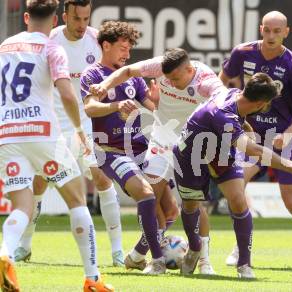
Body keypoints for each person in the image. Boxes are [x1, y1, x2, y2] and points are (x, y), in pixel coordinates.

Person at [0, 1, 113, 291]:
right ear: (54, 22)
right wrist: (78, 130)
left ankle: (6, 252)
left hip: (8, 135)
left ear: (25, 17)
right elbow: (66, 94)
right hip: (43, 134)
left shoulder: (4, 46)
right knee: (77, 200)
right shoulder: (52, 47)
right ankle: (92, 278)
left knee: (22, 205)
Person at [173, 73, 292, 279]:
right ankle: (195, 247)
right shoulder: (223, 116)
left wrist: (248, 130)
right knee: (191, 205)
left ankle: (244, 264)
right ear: (261, 103)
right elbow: (256, 151)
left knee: (239, 201)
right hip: (190, 156)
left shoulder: (235, 94)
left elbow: (241, 123)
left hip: (219, 152)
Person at [90, 48, 222, 275]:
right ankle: (157, 261)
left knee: (193, 204)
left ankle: (204, 261)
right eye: (167, 79)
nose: (171, 82)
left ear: (190, 70)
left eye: (176, 79)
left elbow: (226, 101)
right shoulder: (158, 66)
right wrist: (105, 86)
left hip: (192, 144)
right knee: (149, 196)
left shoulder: (206, 81)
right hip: (162, 139)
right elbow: (129, 70)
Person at [219, 10, 292, 269]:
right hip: (251, 134)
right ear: (261, 29)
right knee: (237, 186)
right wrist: (230, 112)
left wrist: (288, 134)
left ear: (286, 32)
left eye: (277, 31)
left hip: (284, 137)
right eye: (267, 30)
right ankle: (240, 247)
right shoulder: (242, 53)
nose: (271, 36)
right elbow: (221, 82)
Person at [81, 20, 166, 275]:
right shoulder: (93, 75)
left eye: (129, 50)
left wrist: (158, 103)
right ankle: (158, 261)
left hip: (140, 148)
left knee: (170, 209)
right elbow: (89, 108)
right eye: (122, 48)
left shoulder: (133, 77)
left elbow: (153, 109)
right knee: (146, 193)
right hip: (111, 151)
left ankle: (138, 255)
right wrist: (115, 106)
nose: (127, 55)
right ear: (106, 45)